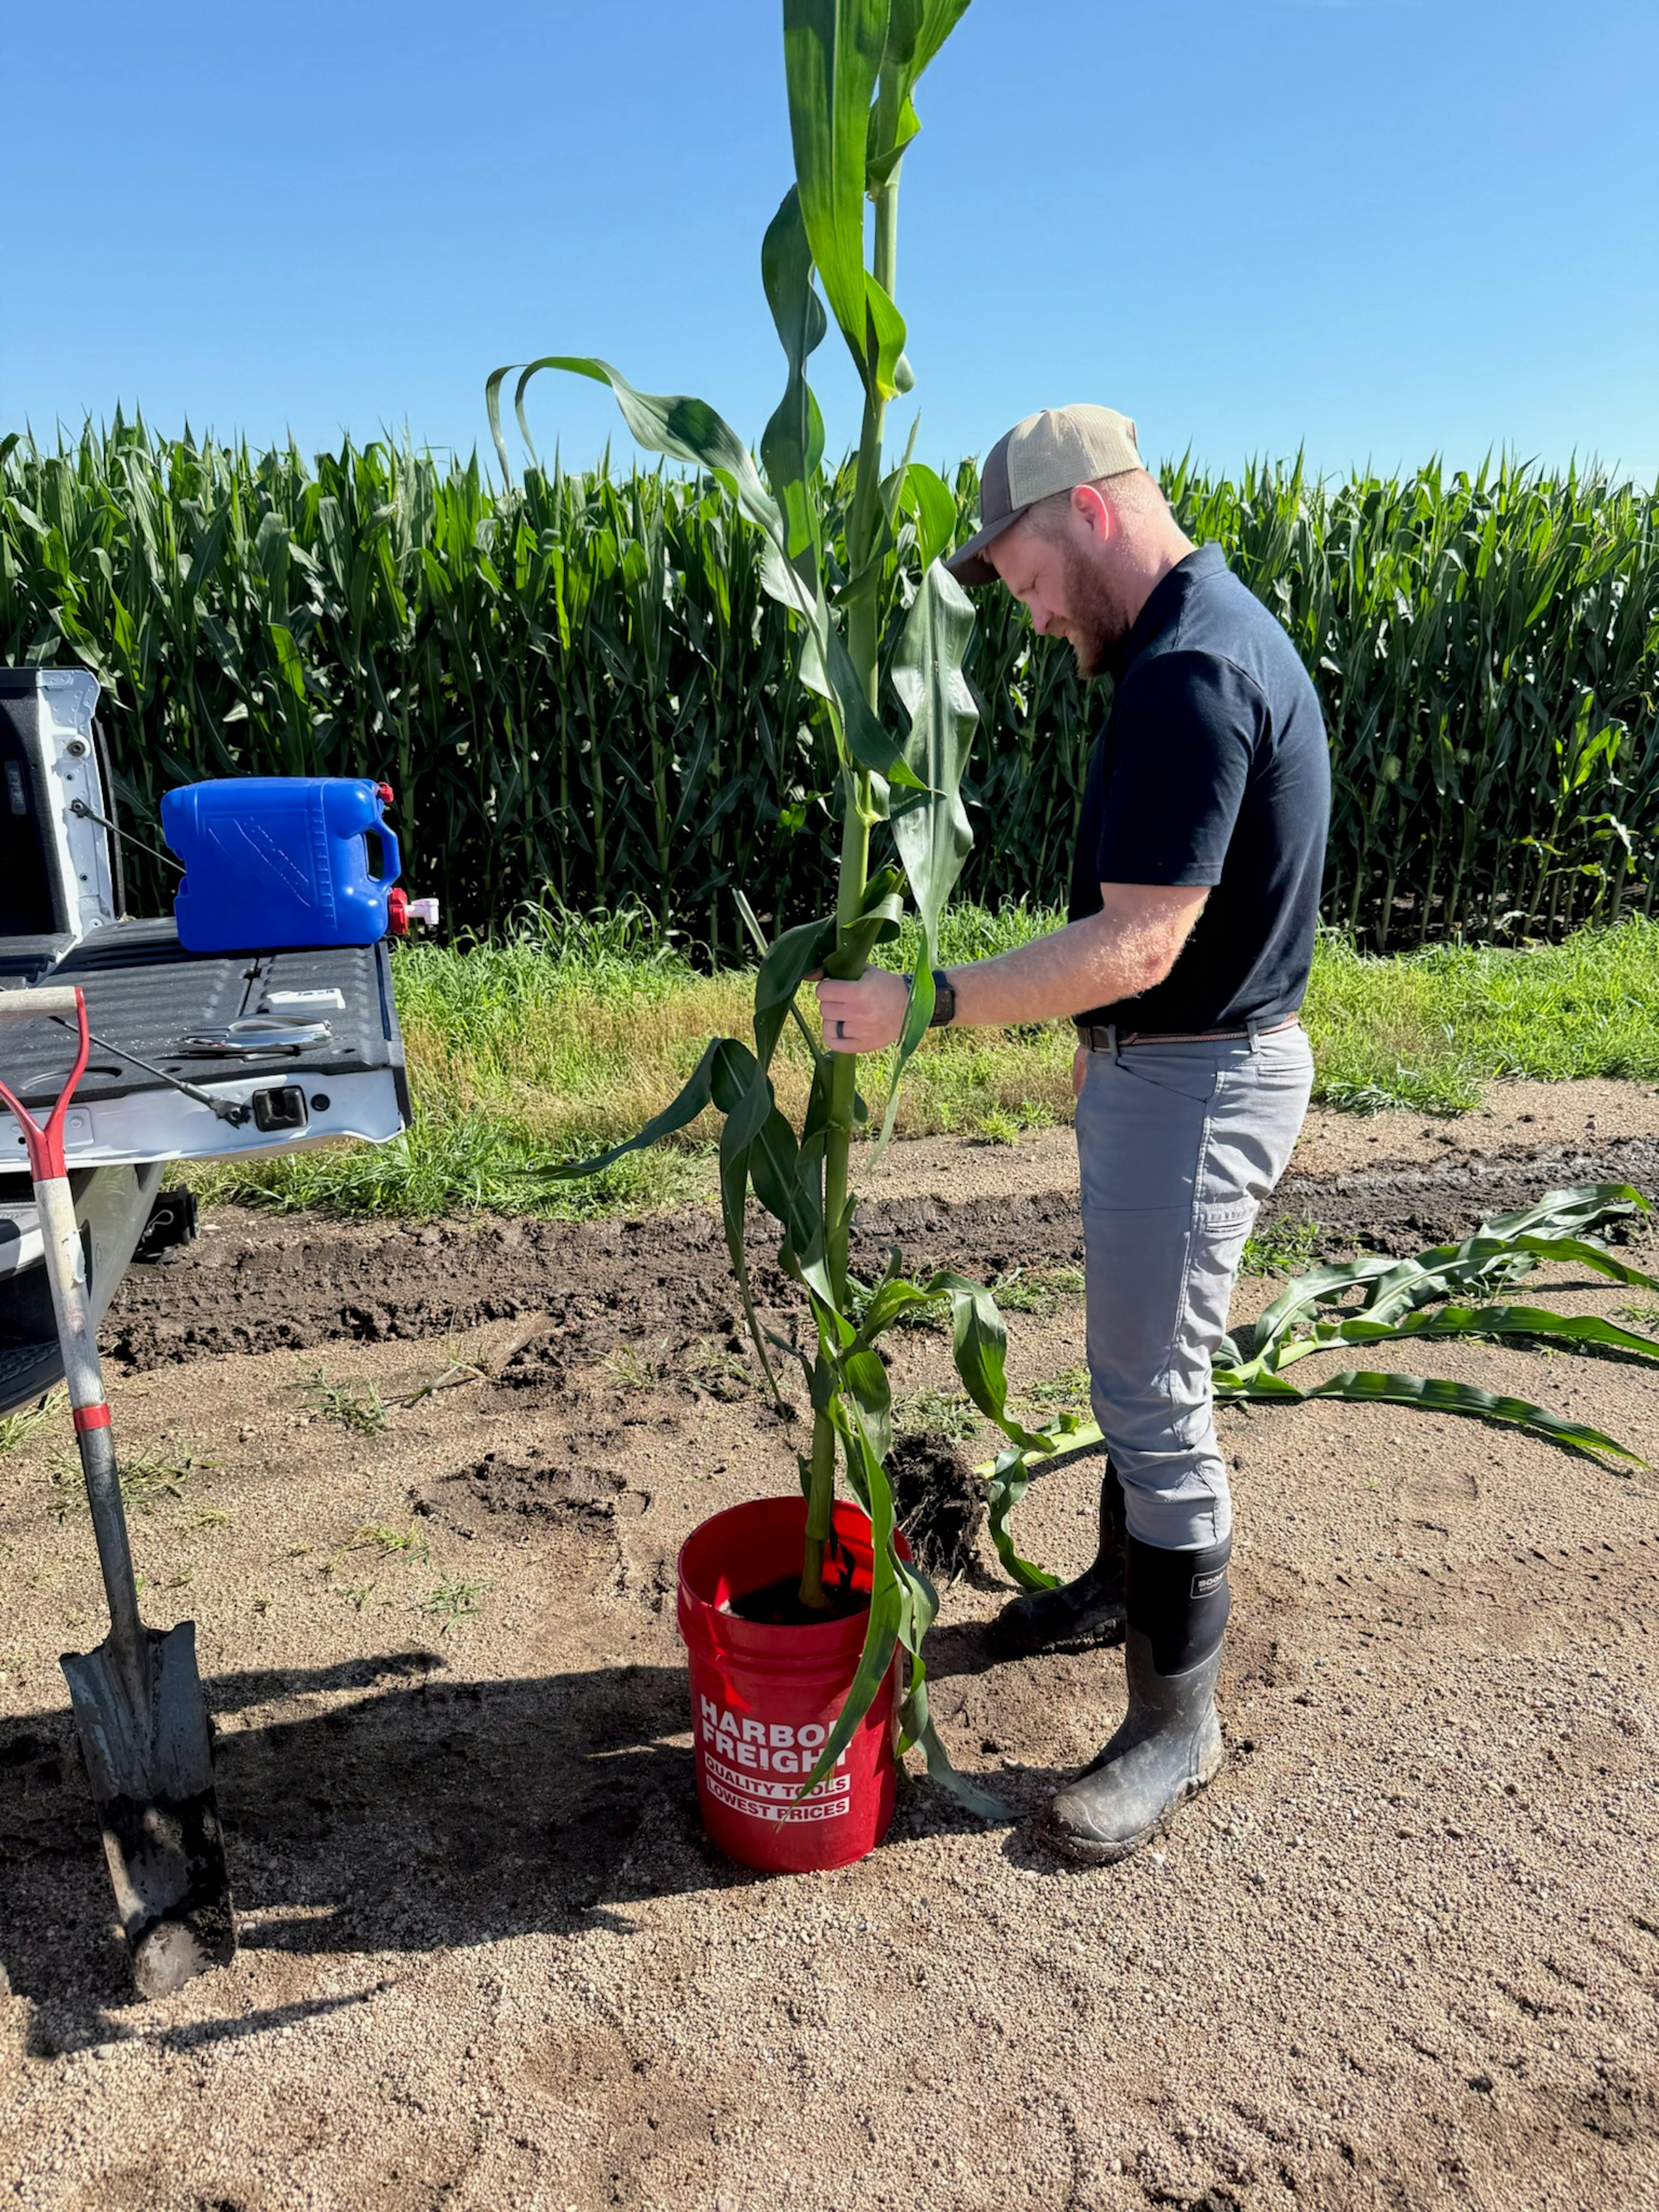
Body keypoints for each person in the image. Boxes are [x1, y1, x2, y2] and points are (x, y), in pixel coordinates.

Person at [816, 404, 1330, 1863]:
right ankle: (1118, 1583)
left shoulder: (1191, 672)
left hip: (1196, 1070)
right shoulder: (1198, 639)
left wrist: (928, 1003)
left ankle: (1176, 1732)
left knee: (1156, 1393)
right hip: (1184, 1068)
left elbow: (1144, 942)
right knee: (1141, 1355)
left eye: (1023, 568)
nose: (1027, 610)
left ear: (1087, 513)